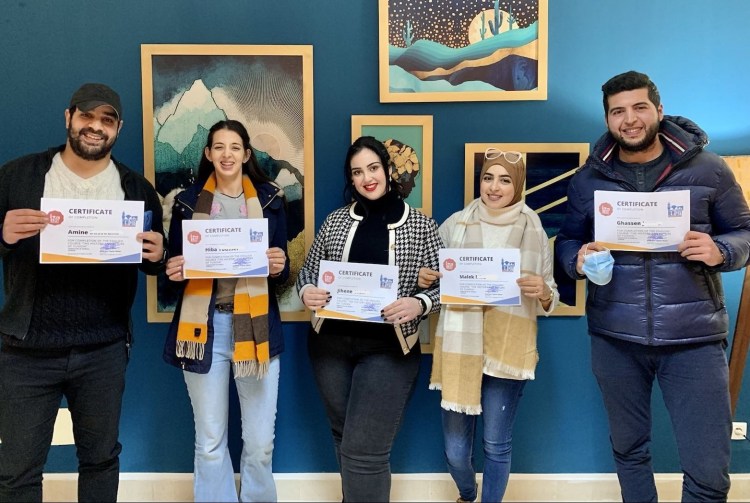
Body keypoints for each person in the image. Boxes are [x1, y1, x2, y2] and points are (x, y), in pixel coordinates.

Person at [555, 70, 750, 502]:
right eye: (618, 111)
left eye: (639, 107)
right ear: (607, 119)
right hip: (615, 336)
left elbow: (744, 232)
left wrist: (720, 250)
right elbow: (566, 241)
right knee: (629, 451)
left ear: (659, 110)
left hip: (694, 337)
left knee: (708, 466)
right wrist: (577, 259)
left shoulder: (709, 169)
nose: (630, 119)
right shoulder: (588, 179)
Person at [0, 83, 166, 502]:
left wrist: (159, 255)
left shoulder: (137, 189)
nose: (95, 126)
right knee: (17, 471)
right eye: (87, 116)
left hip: (102, 350)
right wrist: (2, 234)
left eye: (107, 120)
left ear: (118, 128)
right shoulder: (18, 175)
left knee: (100, 461)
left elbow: (150, 261)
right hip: (26, 351)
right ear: (68, 118)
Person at [295, 135, 441, 502]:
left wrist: (420, 303)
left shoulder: (421, 225)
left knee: (365, 449)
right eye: (357, 172)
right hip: (329, 346)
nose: (367, 178)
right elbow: (308, 272)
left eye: (373, 168)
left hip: (389, 349)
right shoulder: (335, 221)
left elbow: (447, 286)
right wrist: (307, 291)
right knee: (344, 437)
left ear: (388, 170)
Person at [418, 148, 558, 502]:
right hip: (459, 347)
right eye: (488, 178)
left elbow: (551, 294)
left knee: (496, 444)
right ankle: (468, 494)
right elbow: (433, 276)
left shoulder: (533, 228)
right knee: (456, 451)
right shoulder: (455, 223)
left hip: (507, 349)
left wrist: (543, 291)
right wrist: (426, 277)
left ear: (518, 185)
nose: (494, 187)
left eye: (505, 180)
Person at [163, 119, 289, 502]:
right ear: (208, 153)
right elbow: (174, 274)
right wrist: (174, 269)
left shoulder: (270, 200)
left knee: (260, 442)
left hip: (256, 326)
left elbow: (281, 273)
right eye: (219, 147)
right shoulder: (187, 203)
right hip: (205, 328)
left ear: (246, 154)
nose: (227, 154)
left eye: (235, 147)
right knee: (209, 442)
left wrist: (280, 265)